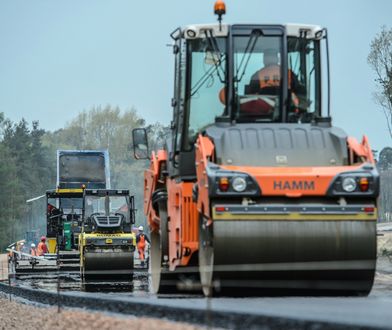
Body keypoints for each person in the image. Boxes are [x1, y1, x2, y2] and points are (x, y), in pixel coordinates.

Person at [245, 49, 301, 114]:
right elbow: (299, 93)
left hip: (264, 113)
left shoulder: (257, 75)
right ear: (277, 59)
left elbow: (251, 97)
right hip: (288, 111)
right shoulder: (289, 74)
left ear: (264, 60)